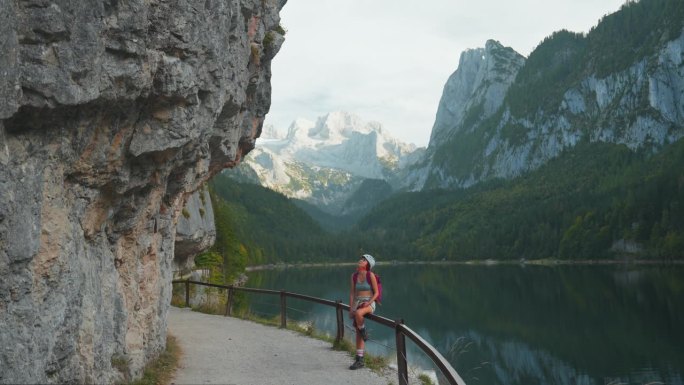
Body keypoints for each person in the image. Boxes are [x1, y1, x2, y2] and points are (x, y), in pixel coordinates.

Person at [348, 254, 379, 370]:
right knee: (358, 332)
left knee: (359, 314)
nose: (360, 260)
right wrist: (351, 308)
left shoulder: (370, 275)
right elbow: (352, 293)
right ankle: (359, 360)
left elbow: (376, 293)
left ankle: (364, 331)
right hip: (357, 303)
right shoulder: (354, 276)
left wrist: (369, 302)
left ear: (368, 264)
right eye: (361, 259)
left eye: (364, 260)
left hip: (369, 303)